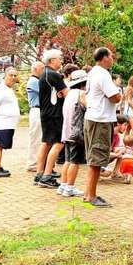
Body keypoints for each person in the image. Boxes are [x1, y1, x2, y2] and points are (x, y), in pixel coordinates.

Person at [83, 47, 122, 207]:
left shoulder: (93, 72)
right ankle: (91, 196)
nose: (113, 59)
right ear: (105, 58)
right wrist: (118, 93)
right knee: (97, 159)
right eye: (111, 56)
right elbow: (115, 97)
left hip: (92, 117)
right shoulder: (103, 74)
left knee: (93, 158)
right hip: (100, 120)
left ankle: (88, 194)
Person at [34, 49, 68, 188]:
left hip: (46, 112)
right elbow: (67, 93)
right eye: (59, 58)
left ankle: (39, 173)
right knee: (59, 143)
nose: (61, 61)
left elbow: (59, 93)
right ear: (52, 60)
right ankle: (47, 175)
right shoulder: (53, 74)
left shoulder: (44, 74)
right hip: (55, 114)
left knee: (46, 142)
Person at [57, 69, 88, 197]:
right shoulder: (82, 94)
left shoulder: (69, 94)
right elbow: (89, 108)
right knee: (75, 161)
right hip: (77, 133)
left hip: (67, 132)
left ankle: (63, 185)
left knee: (68, 160)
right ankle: (70, 187)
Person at [0, 67, 21, 177]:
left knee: (0, 146)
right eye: (10, 75)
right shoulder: (1, 89)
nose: (13, 77)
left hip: (7, 124)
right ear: (5, 76)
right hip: (1, 123)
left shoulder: (8, 89)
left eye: (15, 75)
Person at [25, 61, 44, 172]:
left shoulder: (37, 81)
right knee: (36, 138)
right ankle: (32, 164)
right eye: (42, 68)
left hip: (39, 111)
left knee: (39, 137)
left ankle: (38, 162)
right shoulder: (34, 81)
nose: (43, 71)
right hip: (36, 110)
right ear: (36, 69)